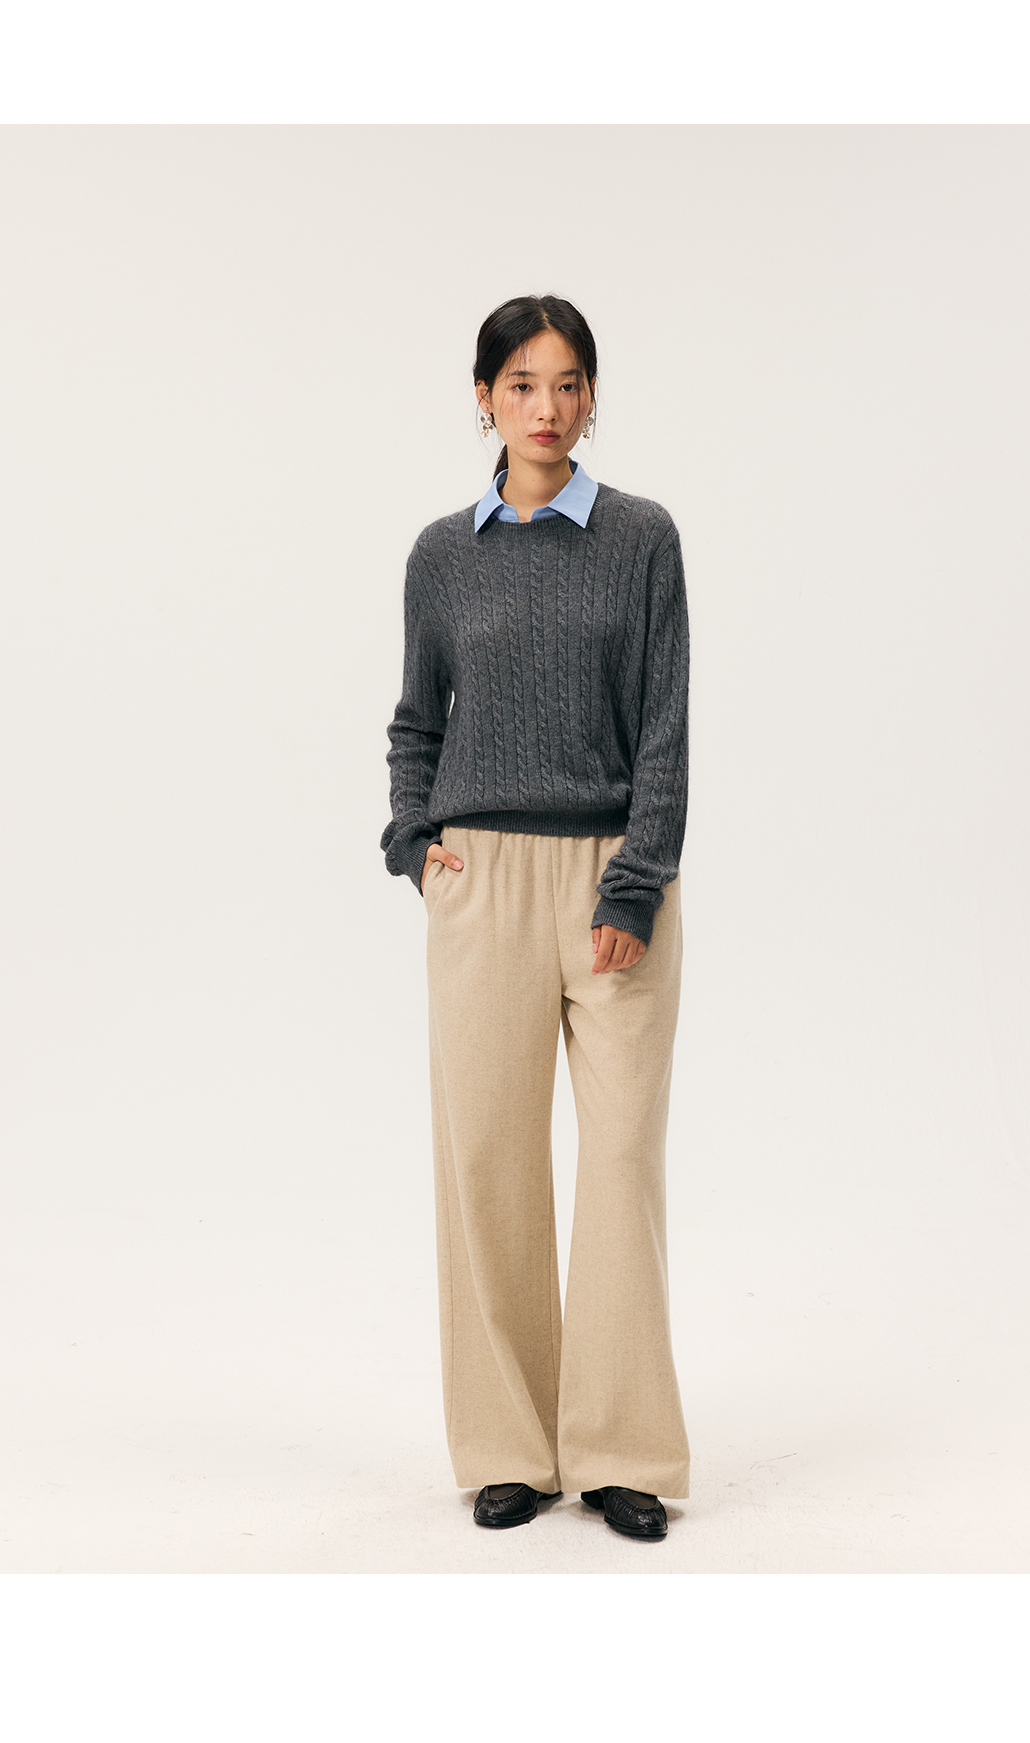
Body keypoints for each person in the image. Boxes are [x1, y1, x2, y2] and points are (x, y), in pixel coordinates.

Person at [380, 294, 690, 1542]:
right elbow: (417, 720)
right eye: (521, 384)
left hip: (616, 877)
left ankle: (619, 1449)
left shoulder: (643, 538)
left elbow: (664, 726)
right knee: (489, 1166)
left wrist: (636, 882)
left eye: (567, 384)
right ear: (484, 399)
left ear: (592, 397)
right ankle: (510, 1444)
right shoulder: (439, 556)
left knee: (618, 1165)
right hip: (482, 883)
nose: (546, 408)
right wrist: (416, 844)